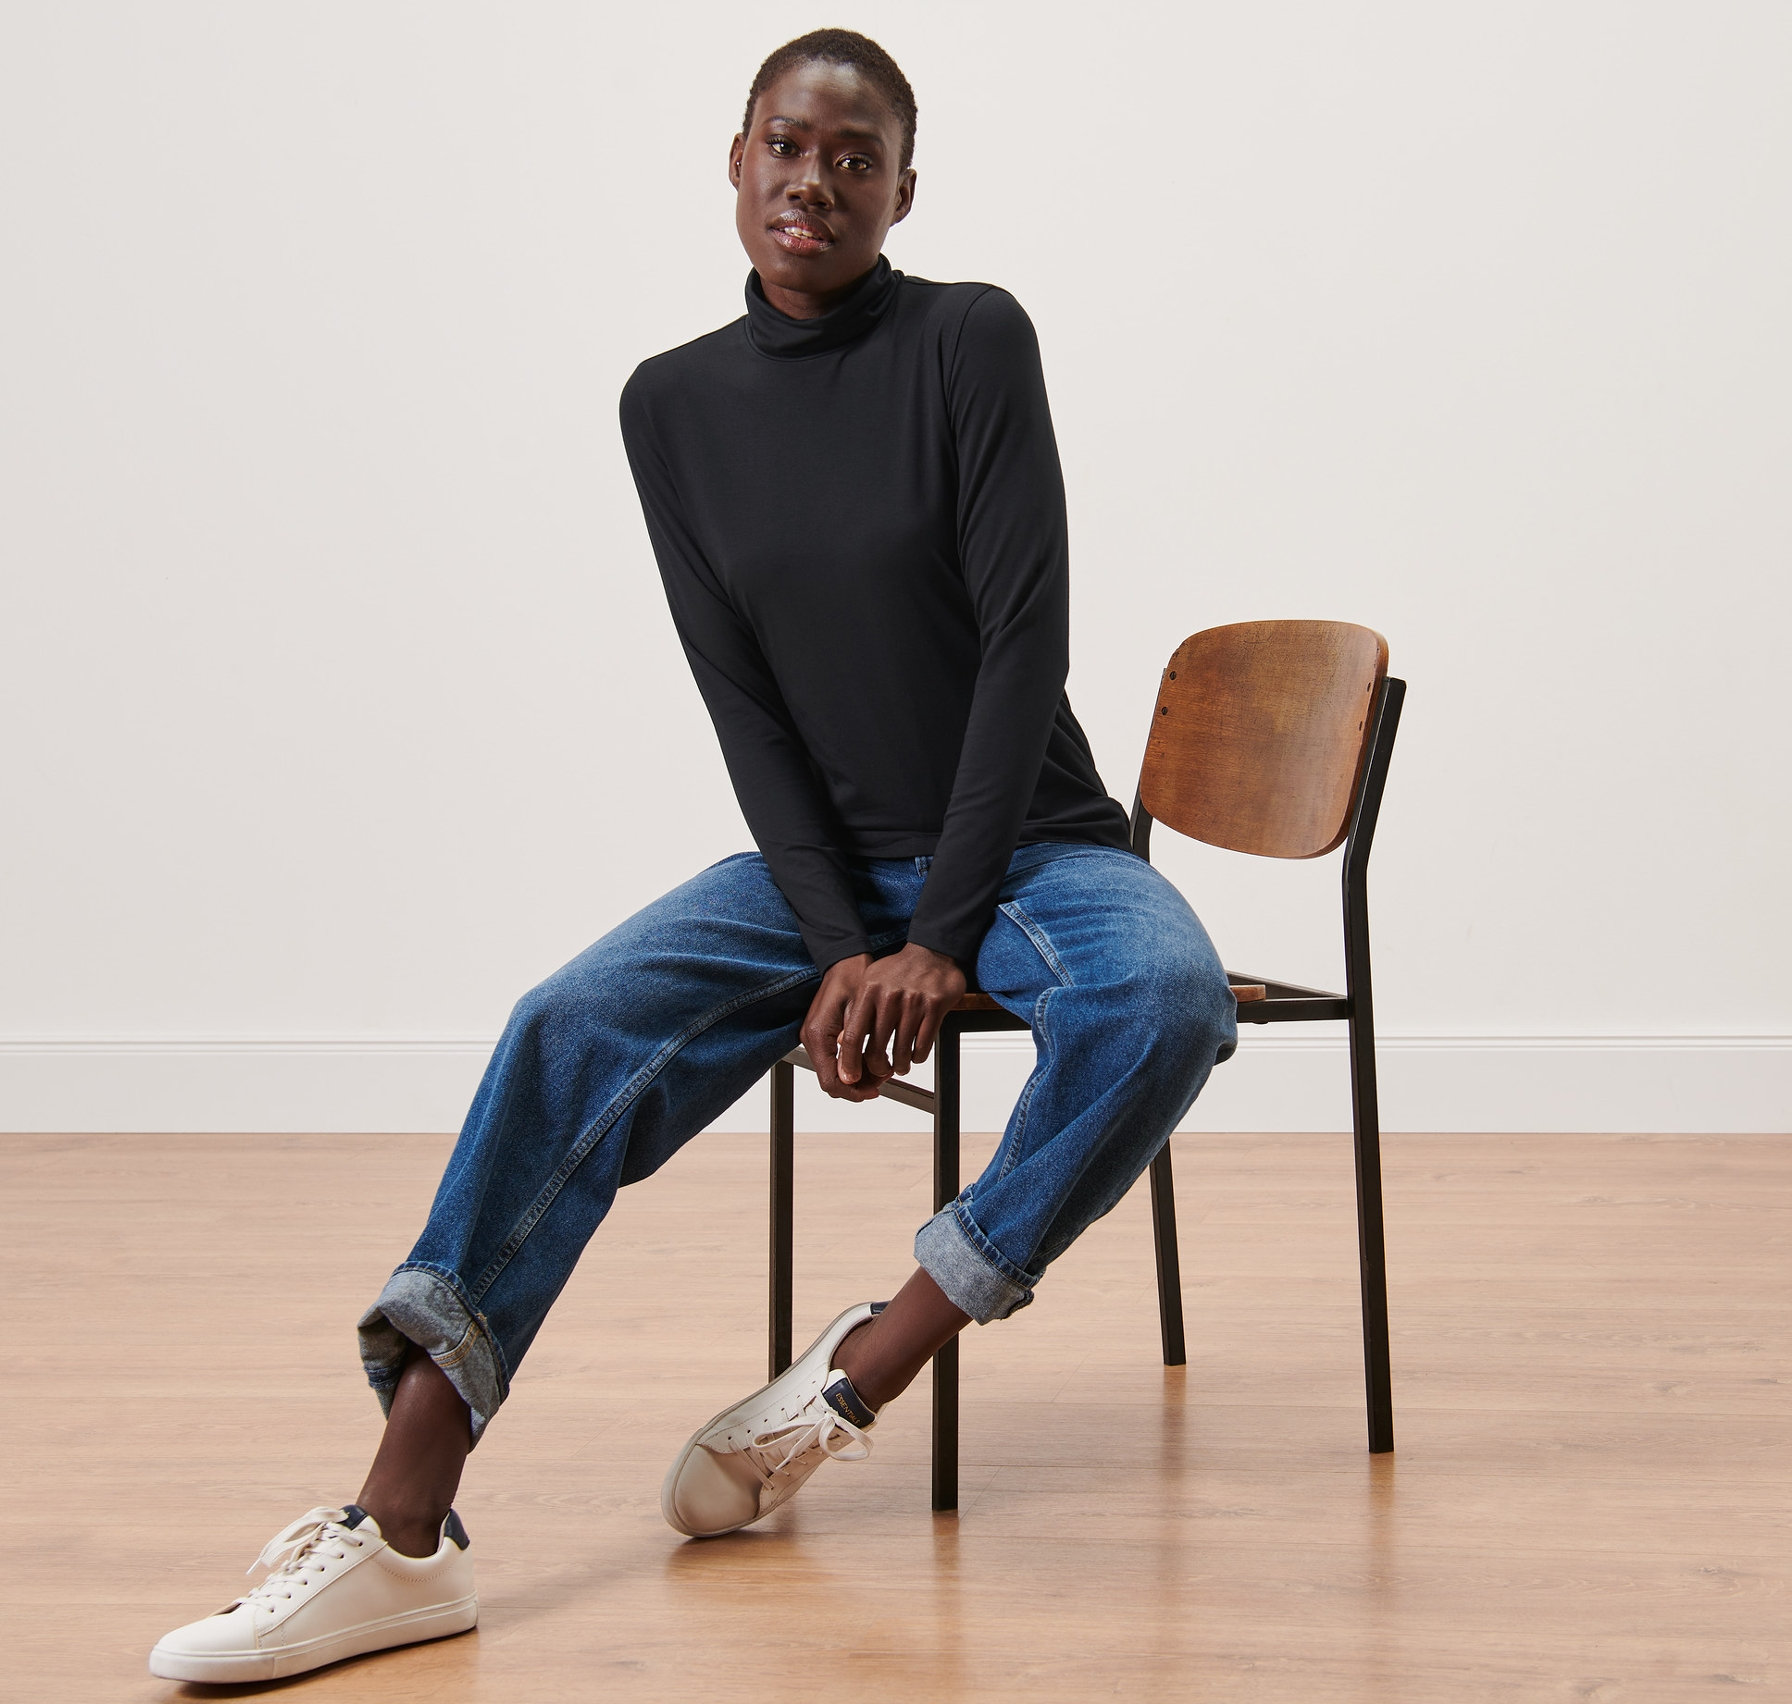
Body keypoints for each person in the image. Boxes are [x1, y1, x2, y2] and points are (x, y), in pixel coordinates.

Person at [149, 28, 1236, 1685]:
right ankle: (400, 1528)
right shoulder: (673, 406)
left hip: (1026, 850)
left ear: (903, 189)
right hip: (820, 873)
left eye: (856, 158)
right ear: (737, 161)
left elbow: (1027, 643)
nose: (817, 182)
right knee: (565, 1022)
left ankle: (855, 1374)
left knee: (1164, 997)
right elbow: (748, 708)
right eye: (789, 149)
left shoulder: (968, 340)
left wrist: (936, 934)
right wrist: (836, 932)